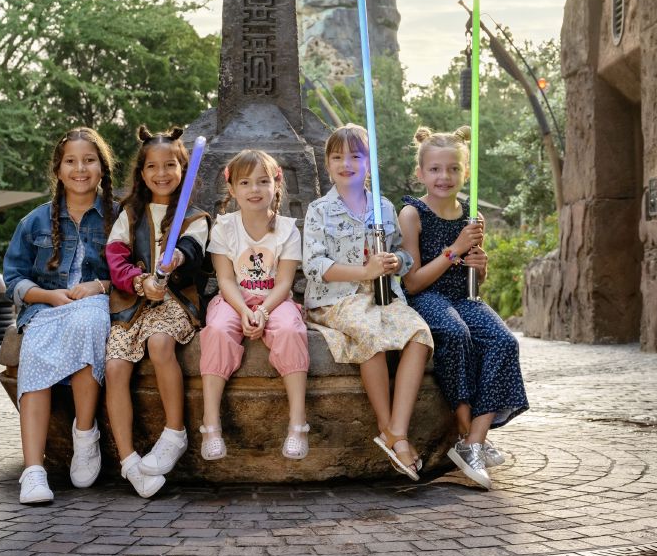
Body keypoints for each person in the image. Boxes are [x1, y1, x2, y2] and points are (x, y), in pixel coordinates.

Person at [398, 126, 529, 490]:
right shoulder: (413, 214)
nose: (445, 177)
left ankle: (475, 441)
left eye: (454, 169)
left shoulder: (472, 216)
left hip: (464, 296)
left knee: (504, 342)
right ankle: (465, 432)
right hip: (428, 297)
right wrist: (454, 250)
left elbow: (476, 277)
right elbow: (412, 282)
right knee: (456, 334)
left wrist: (480, 265)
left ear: (464, 173)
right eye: (436, 169)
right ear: (421, 173)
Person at [302, 124, 434, 481]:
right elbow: (313, 265)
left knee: (420, 335)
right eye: (337, 157)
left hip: (382, 295)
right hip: (336, 299)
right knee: (370, 336)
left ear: (369, 163)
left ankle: (396, 430)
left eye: (355, 156)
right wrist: (363, 271)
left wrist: (395, 263)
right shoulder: (319, 210)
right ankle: (388, 428)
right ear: (327, 164)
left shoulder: (383, 206)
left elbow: (401, 256)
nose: (346, 163)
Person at [3, 126, 117, 504]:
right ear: (58, 169)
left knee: (89, 324)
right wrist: (47, 296)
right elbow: (13, 277)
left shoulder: (119, 218)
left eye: (89, 160)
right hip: (45, 307)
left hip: (96, 304)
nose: (80, 168)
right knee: (33, 349)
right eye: (71, 161)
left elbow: (135, 272)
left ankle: (85, 435)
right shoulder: (34, 222)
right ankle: (33, 471)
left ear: (102, 168)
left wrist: (99, 286)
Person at [104, 125, 210, 497]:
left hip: (175, 301)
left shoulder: (196, 218)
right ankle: (129, 461)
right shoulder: (128, 215)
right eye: (153, 167)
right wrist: (139, 281)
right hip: (131, 303)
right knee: (115, 365)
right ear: (141, 172)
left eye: (170, 165)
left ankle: (175, 432)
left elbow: (193, 253)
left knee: (161, 343)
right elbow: (115, 258)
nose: (161, 173)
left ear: (183, 168)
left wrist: (174, 259)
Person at [200, 150, 309, 461]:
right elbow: (225, 279)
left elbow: (285, 282)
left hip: (275, 300)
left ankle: (298, 423)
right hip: (235, 299)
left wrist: (262, 311)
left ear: (276, 186)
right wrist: (246, 311)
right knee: (218, 330)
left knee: (290, 329)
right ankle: (211, 425)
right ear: (232, 189)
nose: (254, 189)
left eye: (263, 182)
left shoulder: (287, 229)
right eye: (245, 182)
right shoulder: (224, 227)